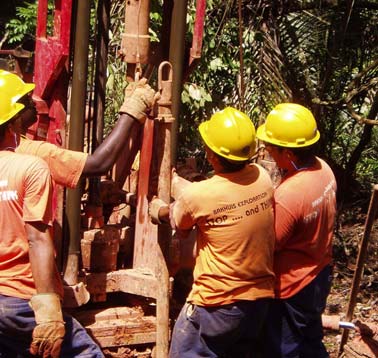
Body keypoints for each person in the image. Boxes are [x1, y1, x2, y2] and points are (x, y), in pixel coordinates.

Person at [150, 107, 276, 357]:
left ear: (213, 156)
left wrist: (159, 210)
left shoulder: (198, 196)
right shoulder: (262, 177)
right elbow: (220, 198)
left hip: (215, 306)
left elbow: (180, 224)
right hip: (259, 302)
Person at [0, 90, 104, 357]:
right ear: (12, 124)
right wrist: (48, 314)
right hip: (18, 298)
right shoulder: (31, 167)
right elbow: (36, 239)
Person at [256, 103, 337, 357]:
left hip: (293, 287)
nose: (267, 151)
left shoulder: (289, 195)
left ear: (289, 153)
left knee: (285, 348)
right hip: (319, 273)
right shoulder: (323, 169)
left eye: (271, 147)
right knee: (310, 339)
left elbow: (270, 245)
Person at [0, 69, 155, 189]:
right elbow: (99, 164)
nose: (33, 102)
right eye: (26, 100)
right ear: (13, 116)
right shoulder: (32, 153)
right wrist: (132, 110)